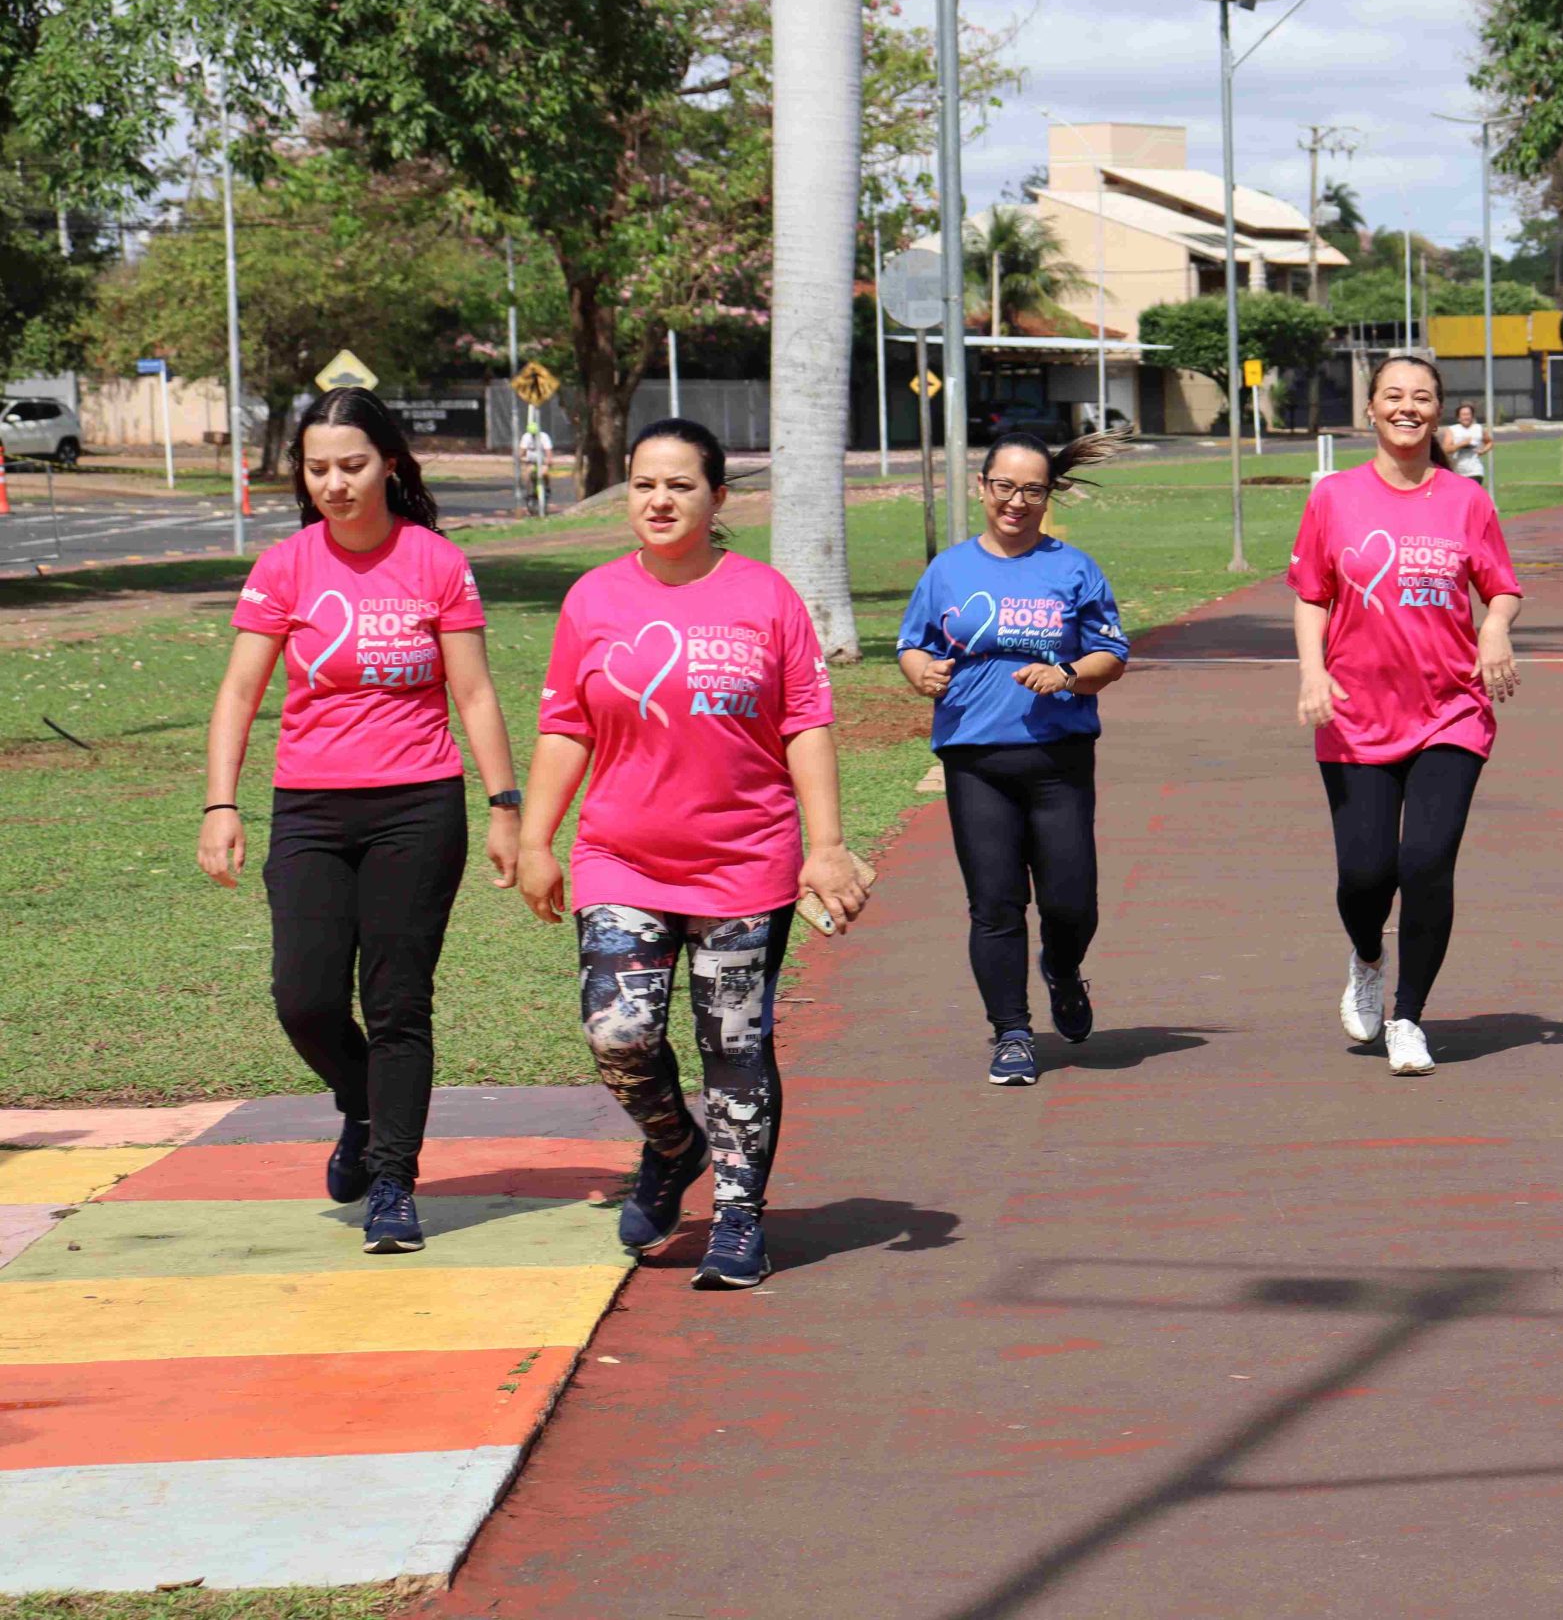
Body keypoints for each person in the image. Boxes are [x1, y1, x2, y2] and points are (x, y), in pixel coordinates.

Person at [517, 418, 870, 1290]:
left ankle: (739, 1218)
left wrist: (823, 847)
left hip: (745, 862)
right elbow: (566, 726)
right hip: (620, 859)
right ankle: (675, 1148)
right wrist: (534, 837)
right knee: (619, 1031)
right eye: (644, 484)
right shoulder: (593, 600)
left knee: (734, 1045)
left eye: (680, 484)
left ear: (718, 497)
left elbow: (806, 726)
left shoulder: (767, 597)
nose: (660, 500)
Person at [199, 386, 520, 1254]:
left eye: (351, 465)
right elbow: (239, 691)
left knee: (397, 1004)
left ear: (389, 465)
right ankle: (360, 1098)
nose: (334, 483)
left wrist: (505, 805)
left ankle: (392, 1182)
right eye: (317, 468)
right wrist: (221, 801)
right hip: (308, 806)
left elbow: (476, 691)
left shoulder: (435, 563)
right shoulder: (286, 566)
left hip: (417, 806)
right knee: (302, 996)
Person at [1292, 355, 1523, 1076]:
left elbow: (1501, 585)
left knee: (1426, 862)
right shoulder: (1333, 496)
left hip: (1451, 710)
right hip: (1355, 714)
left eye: (1422, 397)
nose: (1407, 407)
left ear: (1439, 412)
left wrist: (1495, 627)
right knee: (1365, 874)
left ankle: (1408, 1015)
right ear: (1370, 408)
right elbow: (1310, 593)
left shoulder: (1465, 500)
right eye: (1393, 395)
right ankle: (1367, 956)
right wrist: (1312, 672)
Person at [896, 432, 1132, 1087]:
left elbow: (1111, 654)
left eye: (1032, 489)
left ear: (1048, 495)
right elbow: (912, 644)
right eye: (1004, 486)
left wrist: (1069, 675)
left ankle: (1061, 966)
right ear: (982, 486)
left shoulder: (1074, 569)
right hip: (975, 755)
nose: (1016, 501)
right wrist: (922, 674)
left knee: (1070, 901)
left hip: (1057, 757)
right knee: (995, 903)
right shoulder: (948, 570)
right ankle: (1013, 1032)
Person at [1443, 402, 1490, 483]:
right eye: (1463, 415)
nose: (1466, 417)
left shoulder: (1478, 428)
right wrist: (1462, 444)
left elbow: (1489, 442)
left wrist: (1483, 451)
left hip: (1476, 471)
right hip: (1458, 470)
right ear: (1459, 417)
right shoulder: (1452, 430)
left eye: (1468, 414)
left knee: (1472, 493)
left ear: (1472, 416)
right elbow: (1446, 449)